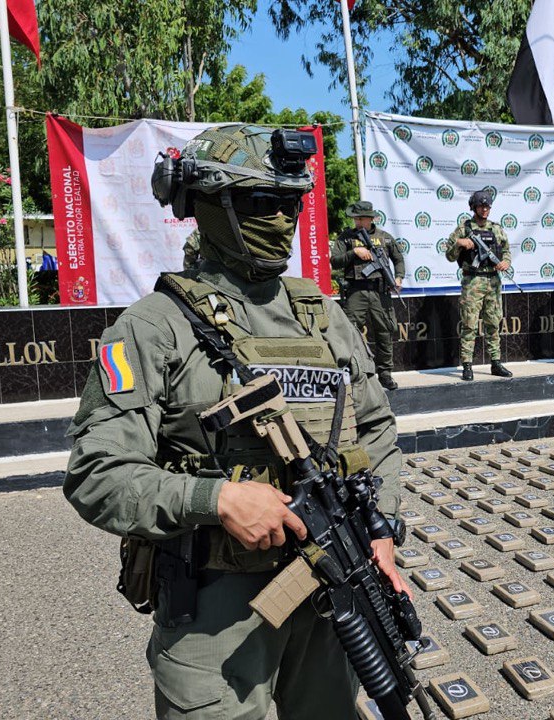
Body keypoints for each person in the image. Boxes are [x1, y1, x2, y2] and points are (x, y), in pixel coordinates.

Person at [64, 124, 408, 719]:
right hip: (216, 610)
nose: (280, 219)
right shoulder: (154, 327)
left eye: (290, 204)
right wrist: (216, 499)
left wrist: (382, 528)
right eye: (259, 202)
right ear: (205, 205)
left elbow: (375, 430)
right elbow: (97, 473)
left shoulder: (324, 317)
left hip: (333, 591)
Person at [332, 200, 404, 390]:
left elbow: (398, 259)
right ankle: (352, 371)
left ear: (370, 219)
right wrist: (354, 252)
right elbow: (335, 261)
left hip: (380, 291)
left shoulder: (385, 238)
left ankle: (385, 373)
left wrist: (398, 277)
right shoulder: (346, 238)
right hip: (356, 290)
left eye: (360, 219)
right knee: (350, 331)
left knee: (385, 331)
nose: (356, 222)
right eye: (355, 218)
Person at [445, 189, 513, 381]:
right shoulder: (464, 228)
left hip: (493, 281)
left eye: (487, 206)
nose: (485, 210)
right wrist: (459, 243)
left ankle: (496, 362)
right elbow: (449, 256)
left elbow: (506, 250)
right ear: (473, 207)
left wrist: (506, 262)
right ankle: (467, 365)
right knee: (469, 324)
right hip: (473, 281)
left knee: (494, 323)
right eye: (481, 206)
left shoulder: (496, 229)